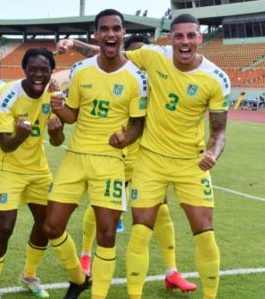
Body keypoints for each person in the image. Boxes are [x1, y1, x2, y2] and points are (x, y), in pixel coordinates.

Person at [57, 34, 197, 292]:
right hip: (118, 152)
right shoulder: (127, 72)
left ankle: (171, 271)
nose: (141, 60)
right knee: (102, 209)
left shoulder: (158, 74)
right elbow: (97, 53)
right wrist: (73, 43)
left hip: (145, 155)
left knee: (162, 211)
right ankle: (86, 255)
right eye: (136, 55)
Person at [124, 14, 229, 299]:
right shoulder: (152, 56)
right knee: (140, 231)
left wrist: (212, 152)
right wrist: (78, 47)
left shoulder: (216, 79)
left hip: (191, 163)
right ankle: (135, 296)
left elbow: (219, 132)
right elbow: (111, 56)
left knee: (205, 233)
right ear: (170, 38)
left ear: (200, 38)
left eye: (190, 36)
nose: (185, 41)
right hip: (150, 160)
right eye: (178, 36)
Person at [43, 9, 147, 299]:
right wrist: (58, 108)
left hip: (110, 160)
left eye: (116, 28)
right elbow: (73, 115)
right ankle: (78, 277)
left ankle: (97, 295)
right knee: (52, 226)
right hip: (76, 157)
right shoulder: (82, 70)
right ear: (96, 35)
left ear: (123, 33)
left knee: (107, 234)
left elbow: (138, 123)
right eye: (105, 29)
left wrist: (125, 138)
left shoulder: (137, 77)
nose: (110, 34)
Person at [0, 47, 65, 299]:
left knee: (46, 223)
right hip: (7, 167)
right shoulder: (8, 96)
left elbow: (56, 140)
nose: (38, 75)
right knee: (5, 226)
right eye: (33, 69)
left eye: (44, 70)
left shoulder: (53, 95)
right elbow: (5, 145)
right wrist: (20, 135)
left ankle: (29, 275)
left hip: (38, 169)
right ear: (24, 70)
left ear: (52, 72)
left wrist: (55, 133)